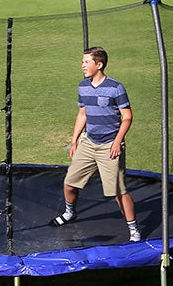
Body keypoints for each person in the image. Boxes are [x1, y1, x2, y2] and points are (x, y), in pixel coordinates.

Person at [50, 47, 141, 242]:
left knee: (118, 191)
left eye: (86, 62)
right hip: (88, 143)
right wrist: (74, 140)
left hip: (110, 145)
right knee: (69, 183)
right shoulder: (83, 87)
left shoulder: (116, 88)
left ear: (98, 65)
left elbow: (127, 117)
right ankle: (70, 213)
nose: (82, 65)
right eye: (82, 62)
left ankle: (133, 229)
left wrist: (117, 141)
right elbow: (82, 114)